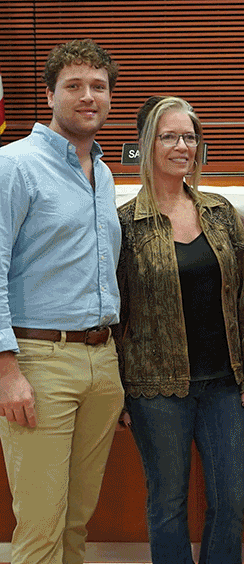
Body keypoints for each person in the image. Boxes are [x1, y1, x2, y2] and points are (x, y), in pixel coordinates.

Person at [115, 96, 244, 564]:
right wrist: (119, 389)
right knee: (168, 504)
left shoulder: (219, 211)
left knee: (230, 502)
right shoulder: (125, 223)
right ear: (147, 144)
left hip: (226, 386)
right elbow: (113, 310)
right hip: (155, 390)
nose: (182, 145)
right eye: (169, 136)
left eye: (189, 136)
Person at [0, 39, 124, 564]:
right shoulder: (15, 165)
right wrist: (6, 369)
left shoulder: (102, 172)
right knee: (41, 525)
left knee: (76, 523)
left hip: (102, 360)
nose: (87, 97)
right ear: (49, 94)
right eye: (74, 86)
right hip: (39, 362)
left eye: (98, 87)